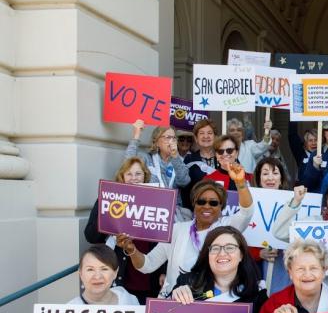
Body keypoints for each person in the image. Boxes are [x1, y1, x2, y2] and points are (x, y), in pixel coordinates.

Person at [118, 170, 254, 298]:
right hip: (173, 303)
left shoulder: (226, 228)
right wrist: (132, 250)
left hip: (210, 303)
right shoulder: (177, 230)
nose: (207, 206)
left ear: (221, 207)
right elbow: (148, 265)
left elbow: (246, 212)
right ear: (194, 204)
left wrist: (240, 183)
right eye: (201, 201)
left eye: (213, 203)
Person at [84, 157, 162, 303]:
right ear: (122, 177)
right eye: (129, 174)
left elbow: (163, 240)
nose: (134, 178)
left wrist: (163, 271)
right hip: (120, 274)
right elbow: (91, 236)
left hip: (149, 275)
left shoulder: (156, 200)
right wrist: (110, 213)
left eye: (138, 174)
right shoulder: (107, 199)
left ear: (145, 176)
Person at [272, 178, 328, 293]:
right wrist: (295, 201)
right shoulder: (312, 224)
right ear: (326, 197)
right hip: (313, 293)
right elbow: (279, 232)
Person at [251, 156, 292, 295]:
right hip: (258, 268)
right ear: (259, 178)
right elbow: (241, 241)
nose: (270, 178)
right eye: (265, 173)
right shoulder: (249, 204)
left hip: (283, 265)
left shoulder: (292, 203)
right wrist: (258, 253)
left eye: (275, 173)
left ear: (281, 179)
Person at [126, 120, 190, 202]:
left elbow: (184, 182)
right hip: (150, 204)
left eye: (174, 138)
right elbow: (127, 166)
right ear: (156, 143)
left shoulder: (178, 160)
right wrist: (136, 135)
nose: (171, 141)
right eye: (168, 137)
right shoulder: (147, 158)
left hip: (173, 208)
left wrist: (175, 157)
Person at [68, 245, 140, 305]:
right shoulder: (69, 310)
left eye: (104, 269)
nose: (97, 276)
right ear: (80, 273)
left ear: (115, 272)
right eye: (90, 269)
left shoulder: (130, 301)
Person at [183, 119, 218, 208]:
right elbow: (185, 189)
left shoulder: (224, 157)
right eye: (201, 133)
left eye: (210, 133)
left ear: (215, 136)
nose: (206, 136)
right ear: (196, 138)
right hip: (197, 209)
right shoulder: (189, 159)